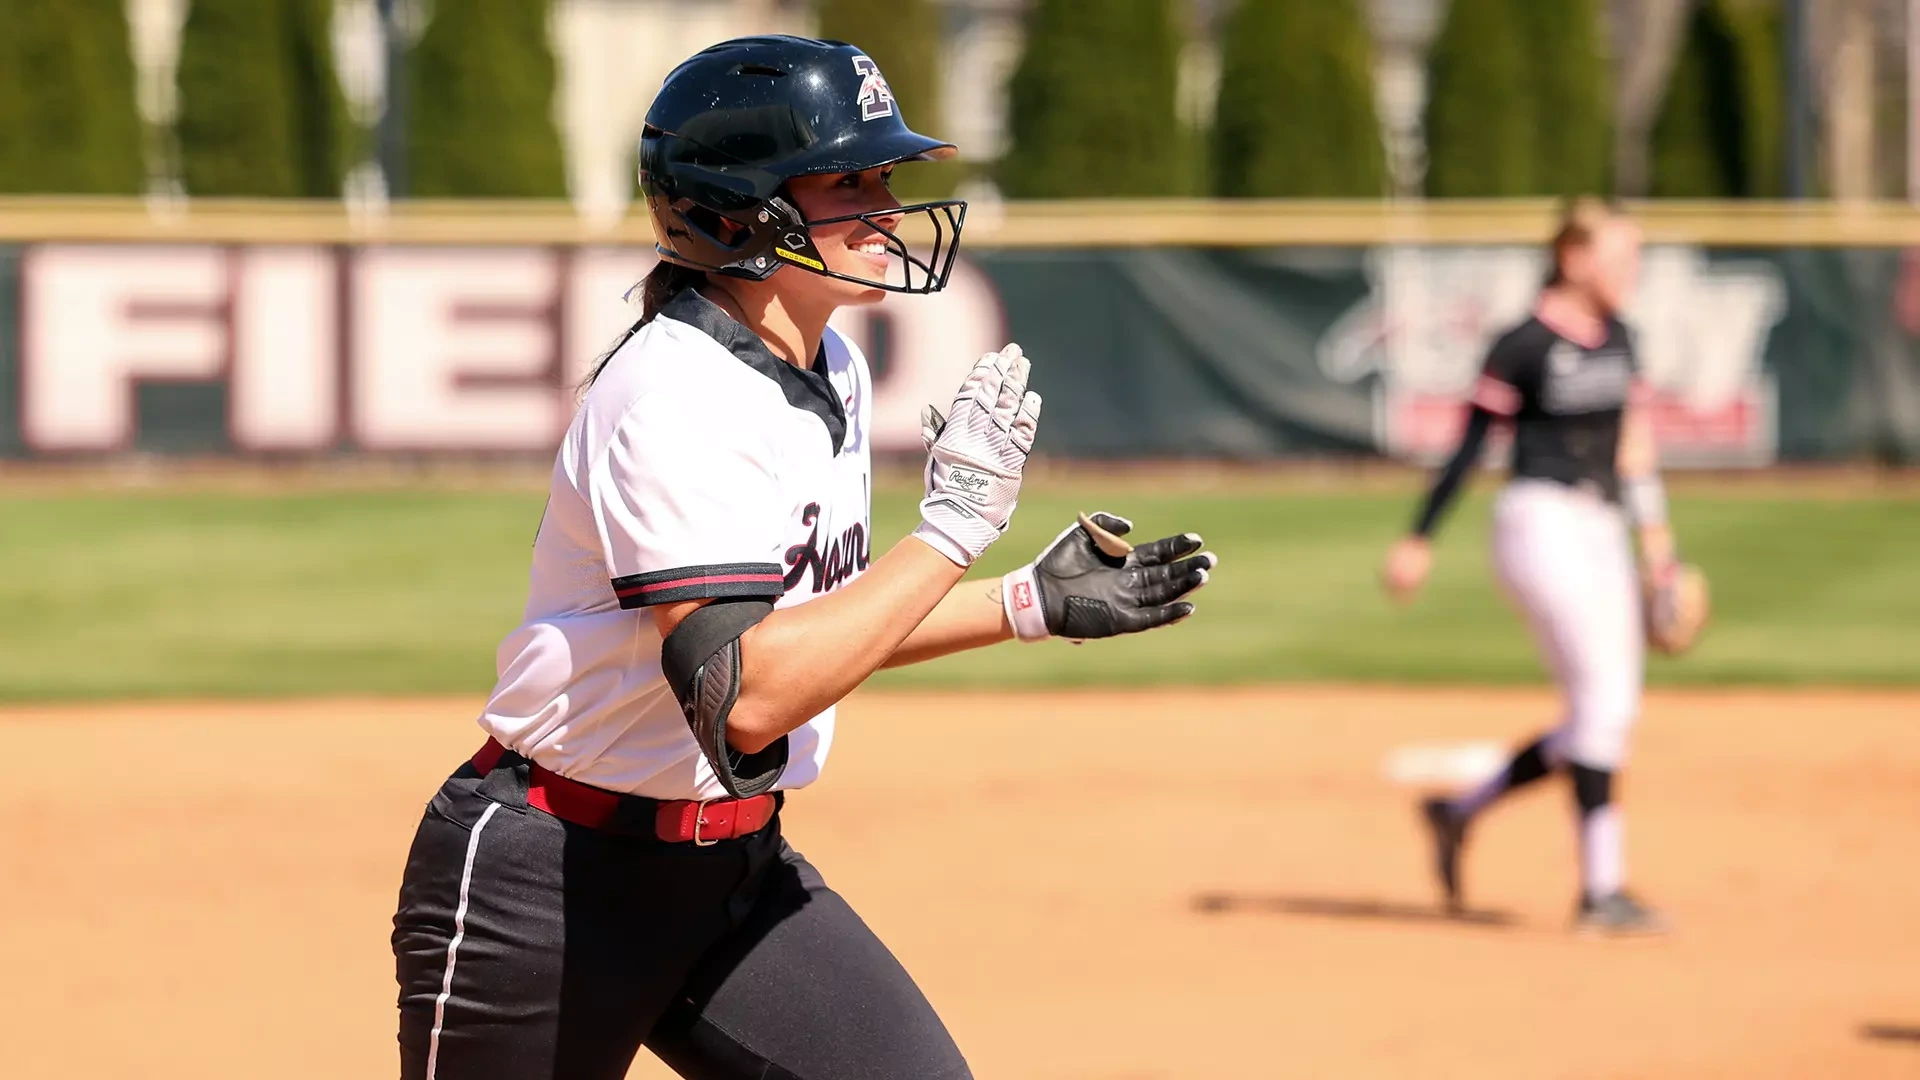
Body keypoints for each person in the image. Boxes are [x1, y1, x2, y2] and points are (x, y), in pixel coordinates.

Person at [390, 35, 1217, 1080]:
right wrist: (953, 532)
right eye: (849, 180)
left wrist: (1019, 603)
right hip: (554, 885)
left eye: (887, 177)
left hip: (730, 873)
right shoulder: (676, 396)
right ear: (741, 211)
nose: (887, 208)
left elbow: (811, 627)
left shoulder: (826, 363)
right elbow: (746, 695)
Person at [1382, 198, 1679, 935]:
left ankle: (1457, 811)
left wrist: (1659, 549)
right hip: (1539, 522)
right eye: (1620, 258)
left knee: (1604, 714)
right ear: (1573, 260)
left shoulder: (1623, 340)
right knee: (1604, 706)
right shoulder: (1521, 344)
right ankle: (1600, 892)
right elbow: (1470, 446)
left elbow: (1634, 448)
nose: (1631, 273)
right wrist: (1419, 537)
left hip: (1606, 527)